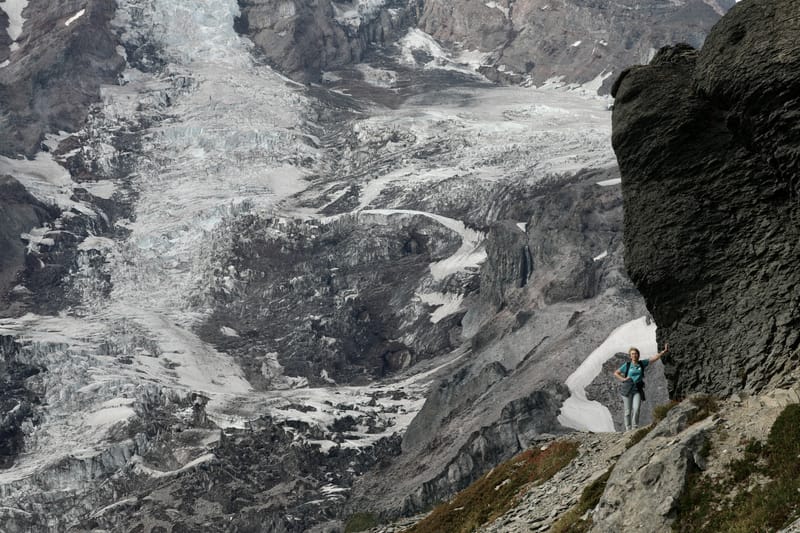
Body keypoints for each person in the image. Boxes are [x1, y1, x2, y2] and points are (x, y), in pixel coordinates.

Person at [614, 343, 669, 431]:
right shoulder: (627, 365)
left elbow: (653, 359)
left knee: (636, 408)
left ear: (638, 355)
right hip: (627, 389)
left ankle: (634, 427)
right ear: (630, 356)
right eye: (632, 354)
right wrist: (623, 379)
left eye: (635, 353)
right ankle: (628, 429)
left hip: (637, 389)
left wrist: (663, 352)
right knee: (627, 411)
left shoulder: (642, 363)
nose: (634, 355)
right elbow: (616, 373)